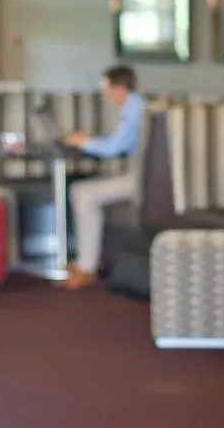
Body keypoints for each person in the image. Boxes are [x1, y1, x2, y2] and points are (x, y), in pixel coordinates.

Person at [61, 65, 145, 290]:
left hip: (143, 179)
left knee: (83, 193)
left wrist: (84, 142)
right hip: (142, 174)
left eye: (106, 88)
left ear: (119, 89)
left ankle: (87, 268)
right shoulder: (136, 107)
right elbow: (122, 141)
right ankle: (85, 263)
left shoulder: (134, 110)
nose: (104, 94)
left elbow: (113, 149)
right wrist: (92, 139)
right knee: (82, 191)